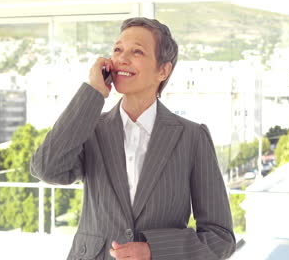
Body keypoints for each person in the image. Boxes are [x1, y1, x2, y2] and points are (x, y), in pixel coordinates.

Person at [31, 17, 236, 260]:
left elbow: (220, 237)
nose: (121, 59)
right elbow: (47, 169)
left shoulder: (192, 137)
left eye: (136, 51)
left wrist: (153, 250)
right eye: (118, 50)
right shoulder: (90, 128)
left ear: (163, 70)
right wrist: (93, 93)